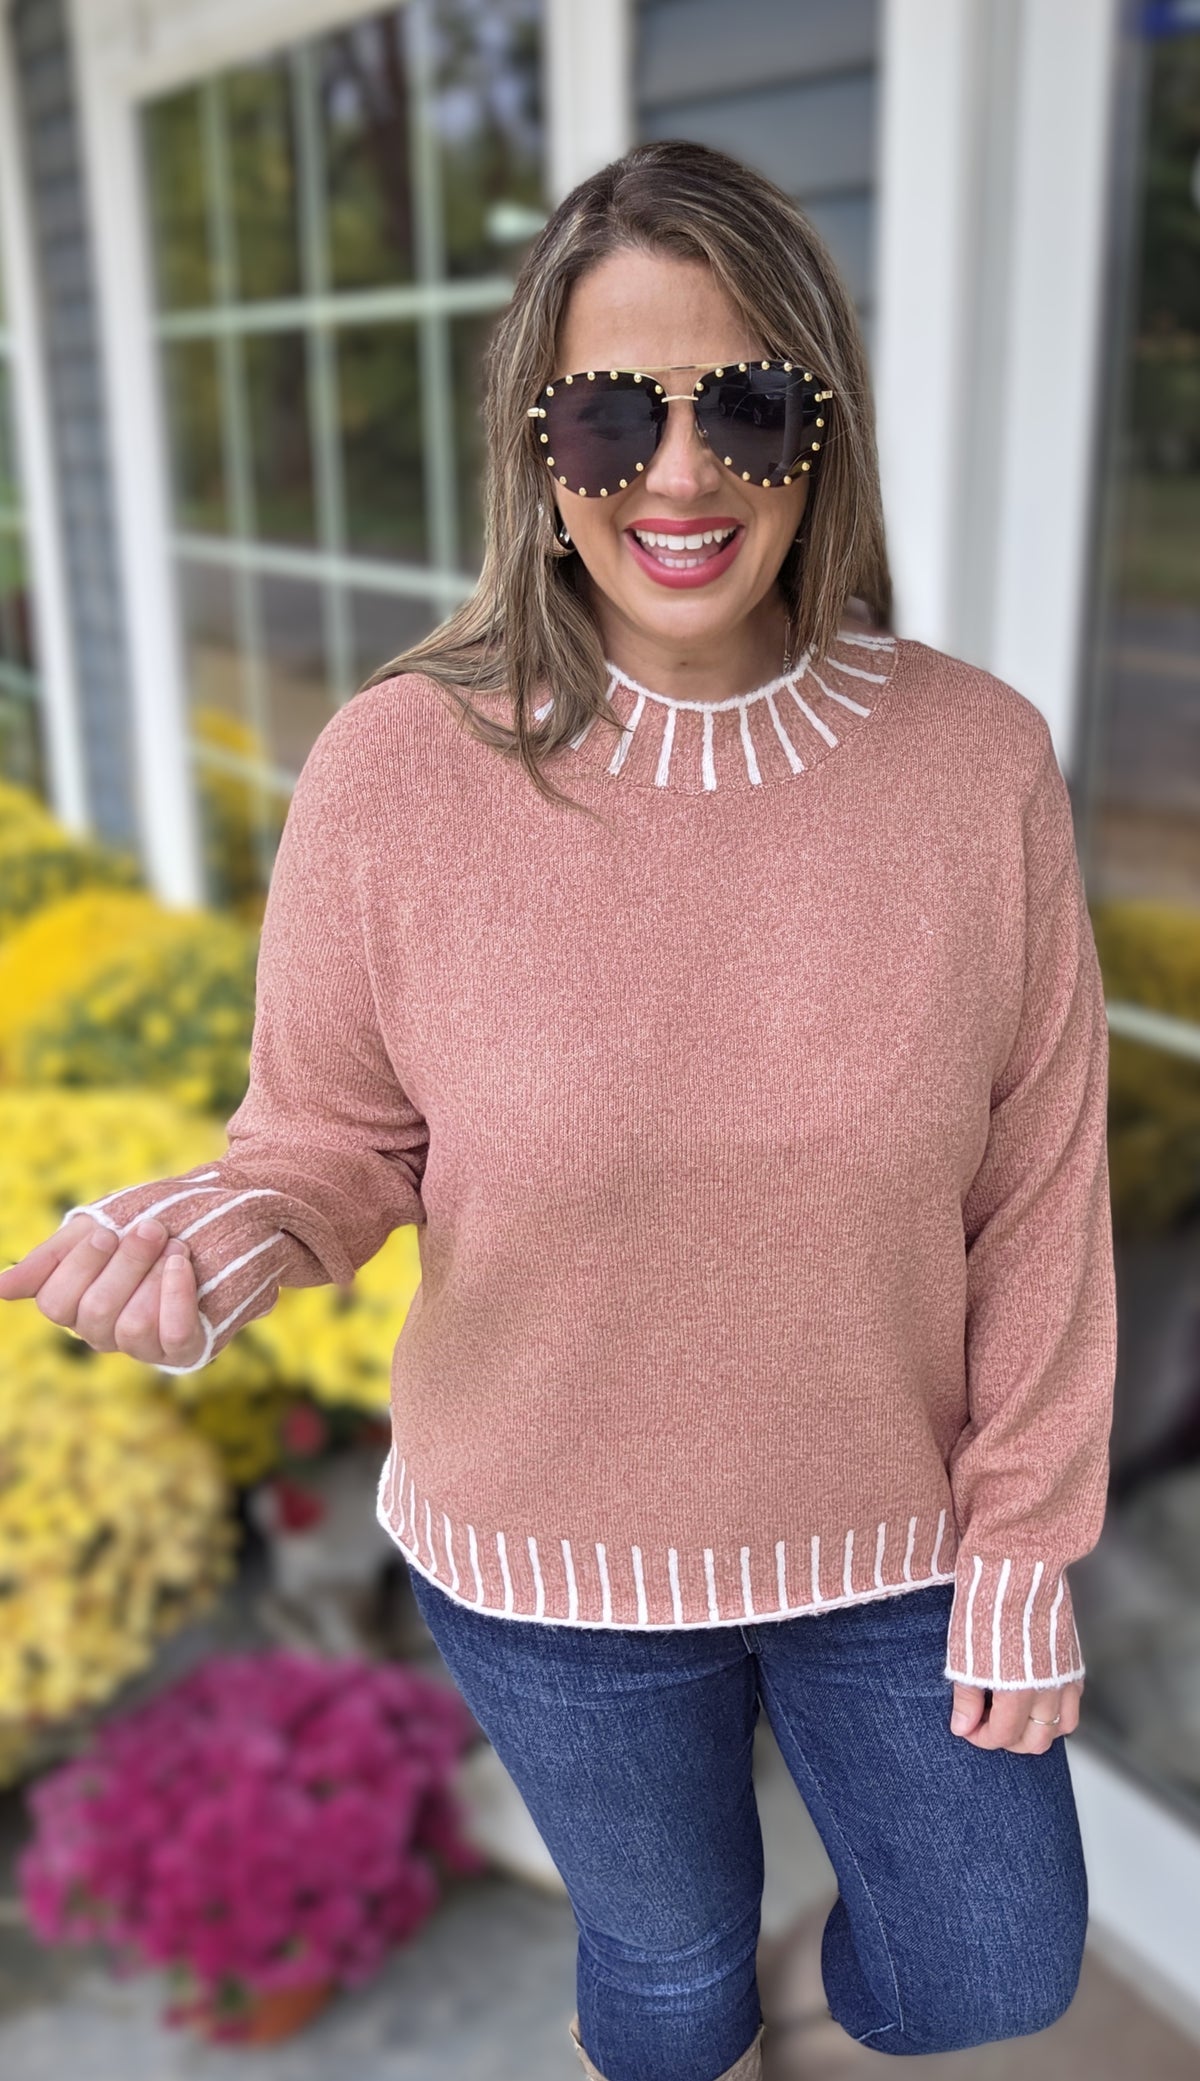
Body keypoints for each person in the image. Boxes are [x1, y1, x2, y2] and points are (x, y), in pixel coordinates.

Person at [0, 141, 1117, 2081]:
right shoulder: (397, 769)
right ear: (538, 444)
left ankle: (805, 1985)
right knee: (669, 1989)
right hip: (548, 1564)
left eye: (742, 404)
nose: (678, 474)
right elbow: (332, 1142)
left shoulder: (977, 765)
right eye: (610, 414)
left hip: (900, 1532)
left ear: (821, 431)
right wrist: (232, 1238)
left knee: (992, 1963)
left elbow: (1039, 1187)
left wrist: (1025, 1541)